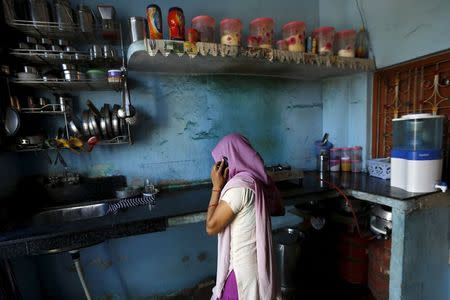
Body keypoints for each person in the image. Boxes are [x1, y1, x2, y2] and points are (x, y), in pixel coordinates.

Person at [206, 133, 284, 300]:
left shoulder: (238, 188)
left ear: (228, 161)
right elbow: (279, 209)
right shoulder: (258, 180)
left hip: (242, 272)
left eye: (220, 162)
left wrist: (216, 187)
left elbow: (211, 227)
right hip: (261, 267)